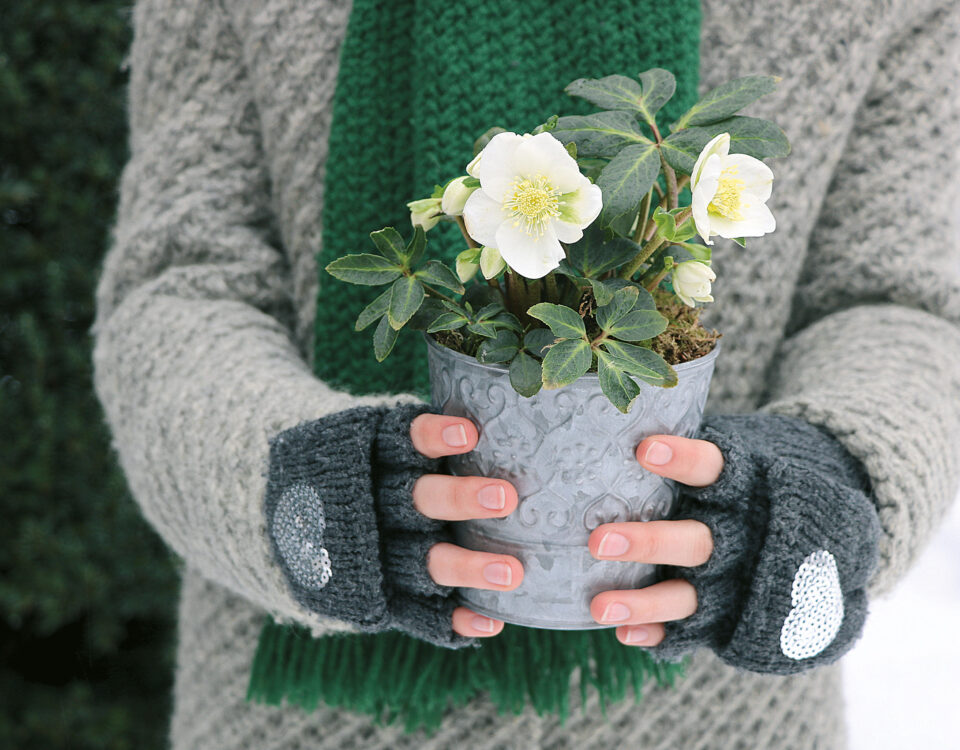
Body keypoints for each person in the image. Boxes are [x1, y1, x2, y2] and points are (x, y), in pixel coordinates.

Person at [91, 0, 960, 747]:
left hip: (724, 714)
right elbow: (184, 282)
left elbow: (895, 299)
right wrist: (298, 489)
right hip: (294, 717)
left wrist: (829, 478)